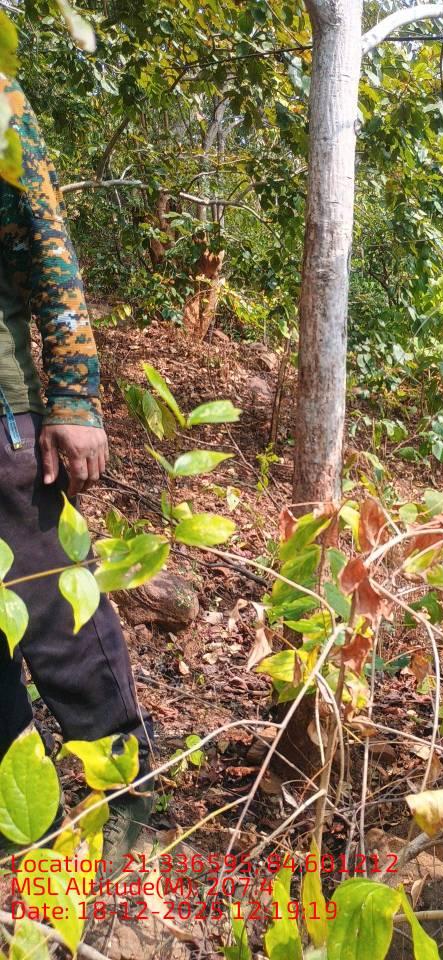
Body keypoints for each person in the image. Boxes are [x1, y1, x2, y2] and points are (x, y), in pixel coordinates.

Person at [0, 74, 152, 857]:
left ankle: (126, 790)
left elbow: (45, 240)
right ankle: (24, 830)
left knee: (53, 609)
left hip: (3, 417)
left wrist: (74, 397)